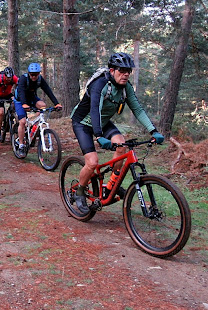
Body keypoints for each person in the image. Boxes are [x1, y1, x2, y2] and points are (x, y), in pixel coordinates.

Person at [70, 52, 164, 213]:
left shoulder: (126, 88)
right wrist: (99, 136)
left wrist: (153, 131)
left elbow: (138, 110)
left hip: (104, 122)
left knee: (122, 146)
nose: (126, 74)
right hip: (83, 123)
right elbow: (94, 110)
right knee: (92, 162)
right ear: (112, 70)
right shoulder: (100, 85)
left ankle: (111, 186)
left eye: (129, 71)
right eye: (122, 70)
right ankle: (79, 192)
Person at [14, 62, 62, 157]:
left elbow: (48, 91)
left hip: (31, 98)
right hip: (20, 100)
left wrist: (56, 103)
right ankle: (21, 145)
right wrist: (24, 104)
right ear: (29, 73)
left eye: (36, 74)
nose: (34, 77)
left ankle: (34, 128)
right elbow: (21, 92)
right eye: (32, 74)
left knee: (43, 105)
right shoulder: (23, 79)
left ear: (39, 74)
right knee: (23, 122)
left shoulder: (40, 79)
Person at [0, 66, 17, 139]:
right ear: (4, 75)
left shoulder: (14, 78)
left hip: (8, 94)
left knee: (15, 102)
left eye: (10, 78)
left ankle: (11, 114)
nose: (9, 79)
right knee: (1, 112)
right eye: (7, 77)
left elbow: (20, 85)